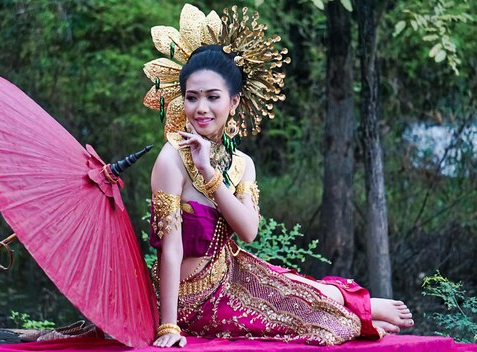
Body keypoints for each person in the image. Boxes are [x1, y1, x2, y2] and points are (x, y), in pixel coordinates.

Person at [143, 4, 414, 348]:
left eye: (213, 97)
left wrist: (209, 172)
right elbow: (171, 249)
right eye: (192, 97)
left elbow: (249, 231)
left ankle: (355, 306)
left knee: (295, 287)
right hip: (185, 300)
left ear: (234, 101)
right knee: (313, 323)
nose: (201, 108)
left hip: (229, 275)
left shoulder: (242, 163)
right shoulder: (171, 159)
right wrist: (168, 327)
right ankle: (359, 312)